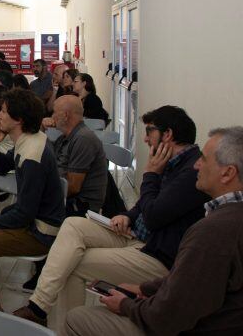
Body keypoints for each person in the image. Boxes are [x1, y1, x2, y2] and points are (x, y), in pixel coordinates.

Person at [64, 126, 243, 336]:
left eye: (204, 159)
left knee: (77, 318)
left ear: (228, 173)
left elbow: (167, 317)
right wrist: (146, 289)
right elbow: (196, 285)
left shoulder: (215, 232)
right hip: (227, 323)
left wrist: (126, 305)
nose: (197, 165)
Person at [15, 105, 211, 327]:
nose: (145, 140)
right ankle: (39, 307)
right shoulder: (171, 161)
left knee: (71, 263)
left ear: (168, 134)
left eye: (149, 132)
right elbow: (149, 204)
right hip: (135, 233)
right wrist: (128, 215)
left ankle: (59, 323)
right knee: (73, 225)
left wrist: (150, 175)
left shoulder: (192, 171)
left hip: (156, 253)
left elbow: (155, 214)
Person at [0, 88, 65, 310]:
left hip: (39, 234)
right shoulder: (29, 139)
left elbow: (24, 213)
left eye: (4, 112)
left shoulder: (32, 154)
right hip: (30, 223)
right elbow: (3, 166)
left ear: (19, 119)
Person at [43, 95, 108, 215]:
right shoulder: (65, 137)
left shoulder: (83, 139)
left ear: (66, 115)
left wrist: (43, 194)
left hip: (79, 206)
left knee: (25, 211)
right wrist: (41, 129)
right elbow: (48, 159)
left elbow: (72, 187)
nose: (52, 116)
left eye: (54, 112)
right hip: (65, 199)